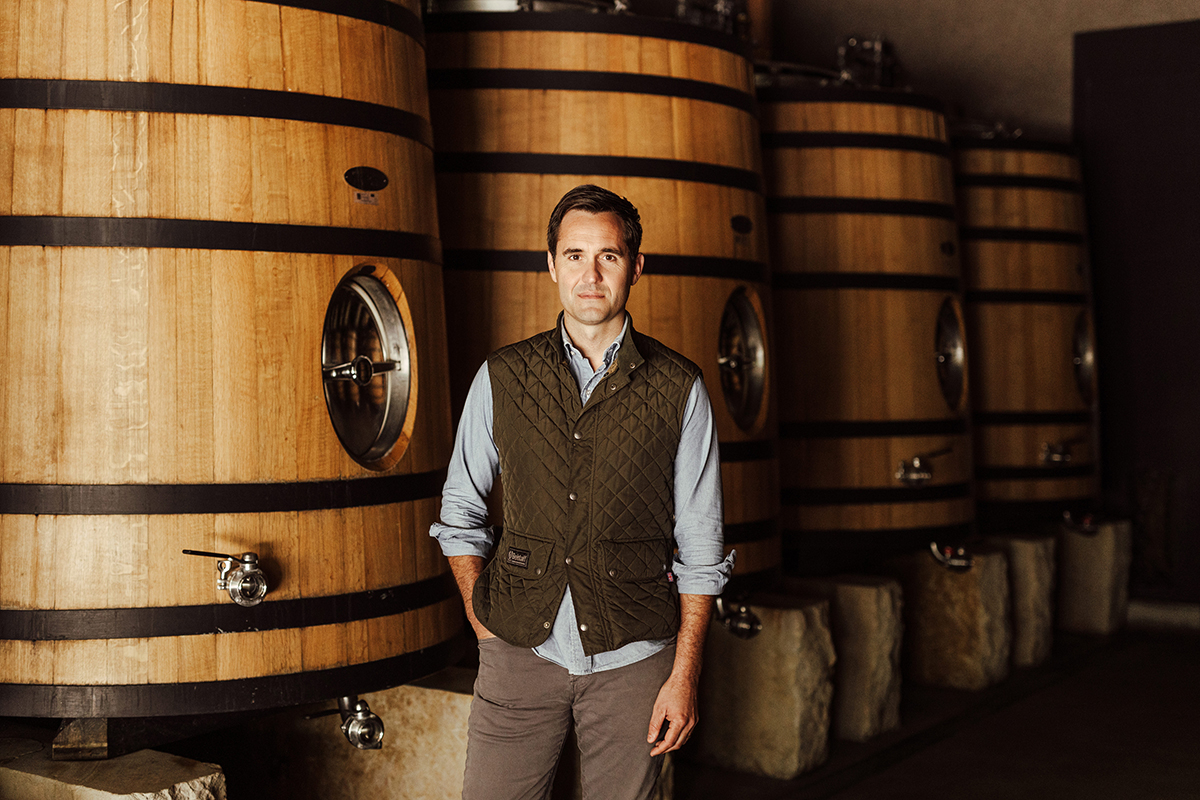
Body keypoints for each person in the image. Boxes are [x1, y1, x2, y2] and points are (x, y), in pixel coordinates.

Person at [431, 184, 734, 800]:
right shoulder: (503, 376)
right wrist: (482, 623)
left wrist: (684, 673)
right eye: (574, 255)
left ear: (636, 266)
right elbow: (460, 510)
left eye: (609, 256)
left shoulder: (681, 387)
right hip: (517, 649)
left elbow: (701, 544)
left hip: (635, 660)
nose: (590, 275)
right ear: (551, 265)